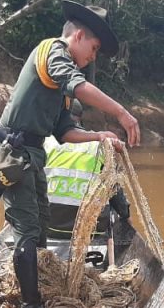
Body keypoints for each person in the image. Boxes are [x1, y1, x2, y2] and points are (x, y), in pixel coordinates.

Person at [0, 0, 140, 308]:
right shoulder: (52, 51)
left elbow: (65, 131)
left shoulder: (61, 87)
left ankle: (39, 288)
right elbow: (79, 86)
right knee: (27, 230)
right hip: (14, 153)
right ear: (78, 36)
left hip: (33, 153)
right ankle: (30, 307)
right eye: (93, 49)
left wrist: (99, 136)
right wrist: (121, 113)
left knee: (39, 227)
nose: (92, 58)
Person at [43, 99, 131, 242]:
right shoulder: (101, 145)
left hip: (49, 228)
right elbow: (114, 190)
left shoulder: (45, 142)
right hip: (92, 231)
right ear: (80, 118)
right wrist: (126, 216)